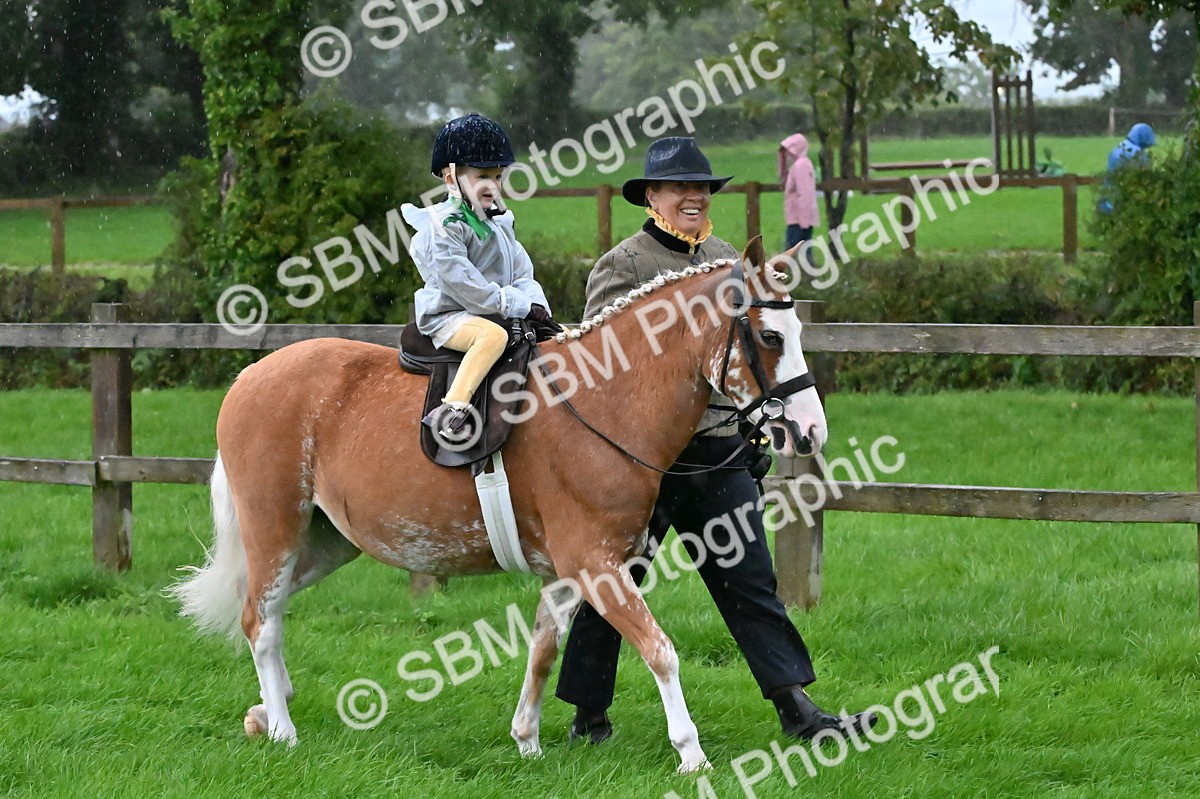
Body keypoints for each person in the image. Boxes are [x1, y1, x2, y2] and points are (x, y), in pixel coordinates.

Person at [554, 136, 875, 744]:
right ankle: (587, 718)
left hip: (719, 451)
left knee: (750, 581)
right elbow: (600, 369)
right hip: (640, 465)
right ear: (651, 197)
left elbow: (754, 352)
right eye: (680, 187)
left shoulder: (732, 260)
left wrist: (752, 424)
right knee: (610, 588)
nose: (694, 196)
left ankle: (799, 711)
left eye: (702, 187)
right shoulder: (623, 267)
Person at [401, 113, 552, 436]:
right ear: (451, 178)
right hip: (450, 316)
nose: (493, 186)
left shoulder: (498, 223)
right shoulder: (445, 227)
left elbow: (521, 271)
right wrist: (517, 306)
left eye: (498, 177)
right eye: (484, 176)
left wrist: (538, 307)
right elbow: (464, 285)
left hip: (491, 311)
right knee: (492, 337)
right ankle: (453, 408)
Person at [779, 133, 819, 250]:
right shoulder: (802, 164)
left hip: (799, 218)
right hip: (800, 217)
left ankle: (793, 268)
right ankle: (805, 268)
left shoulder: (800, 166)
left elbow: (804, 193)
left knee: (791, 252)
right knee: (804, 251)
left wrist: (803, 220)